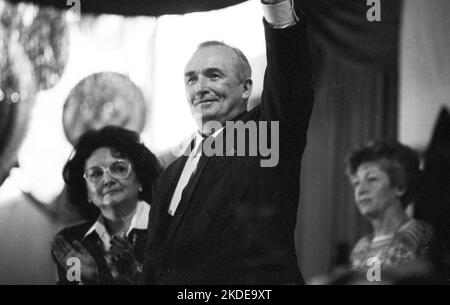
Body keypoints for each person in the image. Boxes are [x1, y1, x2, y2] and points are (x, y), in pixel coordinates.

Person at [140, 0, 314, 284]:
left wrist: (276, 7)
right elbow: (154, 266)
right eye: (191, 79)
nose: (200, 87)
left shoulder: (266, 135)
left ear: (246, 88)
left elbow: (290, 76)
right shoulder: (169, 176)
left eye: (214, 75)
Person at [51, 126, 161, 284]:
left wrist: (135, 274)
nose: (108, 180)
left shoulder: (170, 227)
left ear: (140, 178)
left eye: (119, 168)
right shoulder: (72, 242)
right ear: (87, 192)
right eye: (96, 174)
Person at [346, 140, 433, 274]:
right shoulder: (361, 247)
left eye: (372, 179)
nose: (361, 190)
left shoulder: (416, 233)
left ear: (400, 187)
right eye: (356, 182)